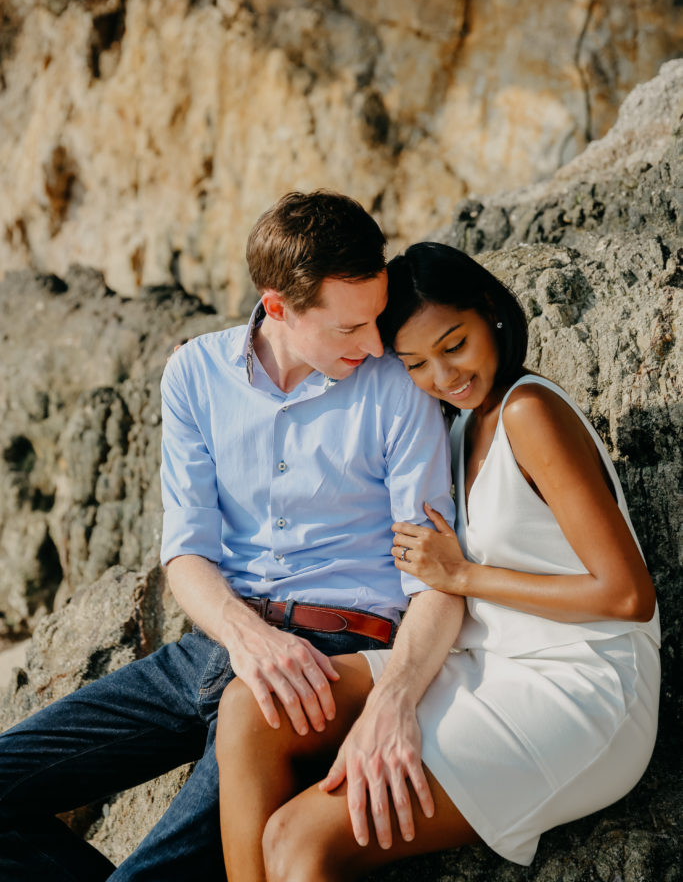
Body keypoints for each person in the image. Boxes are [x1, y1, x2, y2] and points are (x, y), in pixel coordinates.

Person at [0, 194, 457, 880]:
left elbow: (436, 580)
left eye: (375, 318)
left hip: (329, 661)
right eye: (348, 327)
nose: (373, 343)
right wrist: (249, 639)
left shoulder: (397, 385)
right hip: (214, 648)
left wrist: (390, 695)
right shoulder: (195, 374)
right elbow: (186, 552)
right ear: (277, 308)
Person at [216, 240, 660, 882]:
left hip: (579, 688)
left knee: (298, 839)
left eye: (454, 345)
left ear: (492, 314)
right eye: (416, 364)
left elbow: (627, 597)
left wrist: (463, 576)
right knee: (252, 709)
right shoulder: (454, 429)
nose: (444, 376)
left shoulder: (530, 413)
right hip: (482, 664)